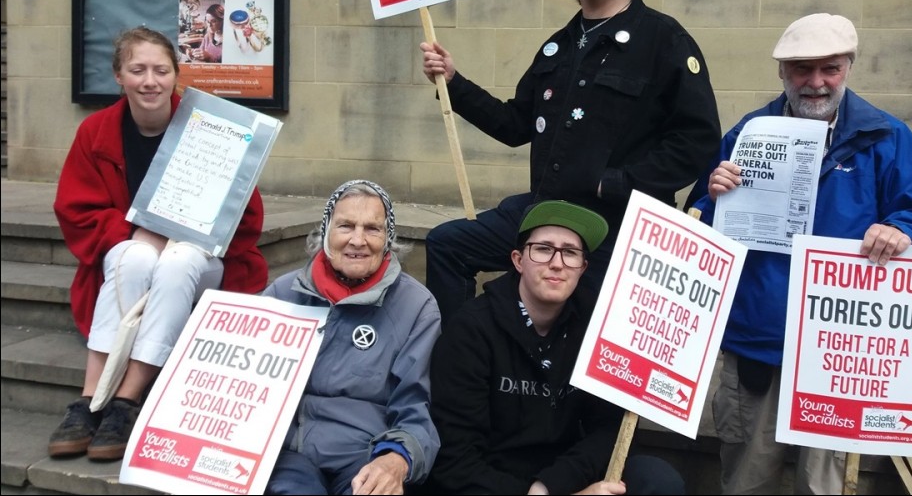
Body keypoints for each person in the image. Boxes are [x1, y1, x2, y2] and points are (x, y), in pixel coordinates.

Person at [420, 0, 721, 324]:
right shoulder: (558, 47)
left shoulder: (664, 40)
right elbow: (514, 124)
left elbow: (696, 141)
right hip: (544, 213)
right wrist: (453, 82)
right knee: (449, 245)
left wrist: (612, 183)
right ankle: (462, 359)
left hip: (618, 227)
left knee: (580, 335)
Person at [685, 13, 912, 494]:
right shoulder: (749, 134)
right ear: (782, 72)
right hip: (757, 345)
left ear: (848, 68)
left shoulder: (887, 139)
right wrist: (712, 198)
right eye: (802, 69)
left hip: (839, 356)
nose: (816, 82)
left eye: (830, 68)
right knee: (746, 481)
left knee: (824, 486)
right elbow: (702, 226)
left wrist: (902, 229)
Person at [48, 26, 267, 461]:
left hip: (201, 258)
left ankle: (125, 400)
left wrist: (184, 230)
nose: (150, 81)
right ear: (119, 76)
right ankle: (90, 399)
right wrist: (134, 231)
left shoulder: (212, 130)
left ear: (176, 75)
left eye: (161, 70)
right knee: (135, 257)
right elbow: (76, 210)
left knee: (177, 259)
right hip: (132, 255)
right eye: (138, 70)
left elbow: (246, 217)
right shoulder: (95, 132)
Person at [426, 200, 686, 495]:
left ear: (583, 268)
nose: (557, 263)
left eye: (570, 252)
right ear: (518, 260)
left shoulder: (597, 326)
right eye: (543, 249)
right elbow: (456, 458)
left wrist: (551, 486)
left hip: (568, 475)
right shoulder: (470, 330)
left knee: (656, 479)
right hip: (492, 480)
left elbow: (610, 428)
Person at [262, 179, 441, 495]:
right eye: (346, 226)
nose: (358, 240)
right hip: (285, 455)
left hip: (365, 455)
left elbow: (415, 406)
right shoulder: (282, 293)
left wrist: (397, 459)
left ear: (388, 238)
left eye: (372, 229)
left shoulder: (417, 307)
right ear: (326, 232)